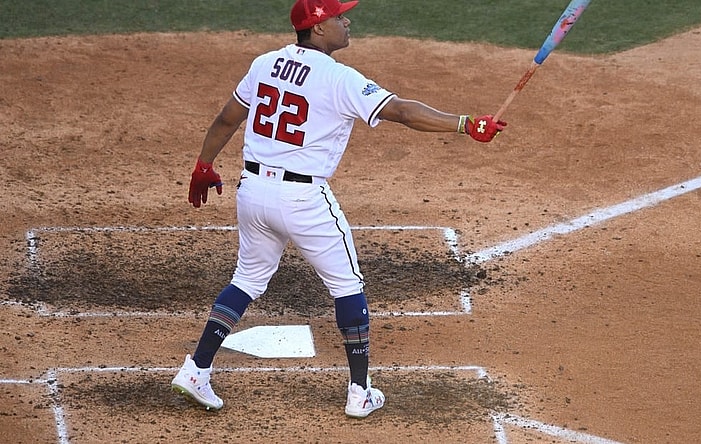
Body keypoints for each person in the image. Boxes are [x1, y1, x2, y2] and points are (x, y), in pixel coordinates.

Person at [171, 0, 506, 419]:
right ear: (317, 29)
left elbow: (227, 118)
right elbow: (400, 111)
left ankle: (196, 369)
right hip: (303, 200)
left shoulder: (264, 64)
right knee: (347, 285)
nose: (347, 22)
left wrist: (204, 165)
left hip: (253, 192)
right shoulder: (337, 78)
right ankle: (360, 392)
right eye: (338, 17)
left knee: (248, 279)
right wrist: (465, 123)